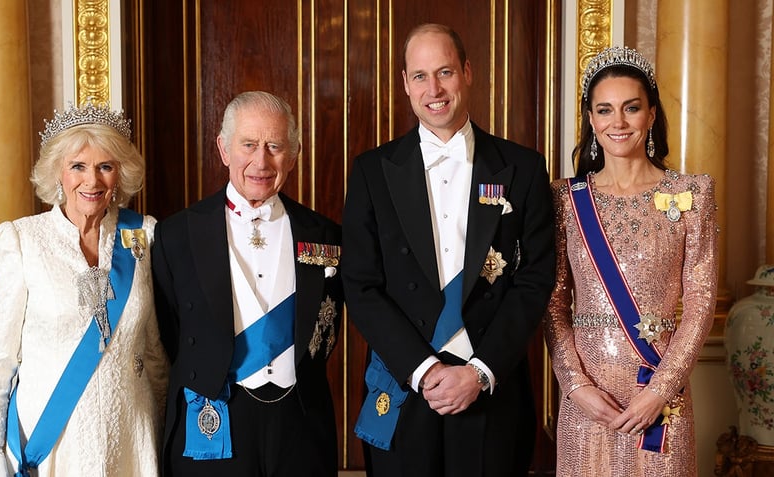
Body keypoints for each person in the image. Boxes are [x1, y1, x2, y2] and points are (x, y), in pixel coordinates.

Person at [342, 23, 556, 476]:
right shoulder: (372, 171)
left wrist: (479, 371)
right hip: (405, 385)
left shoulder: (522, 167)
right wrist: (423, 370)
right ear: (404, 83)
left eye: (445, 72)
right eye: (420, 76)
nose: (434, 89)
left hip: (490, 386)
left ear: (468, 72)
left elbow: (534, 280)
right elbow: (360, 284)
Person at [543, 46, 718, 476]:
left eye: (631, 108)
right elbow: (552, 304)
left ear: (652, 114)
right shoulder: (565, 199)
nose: (617, 123)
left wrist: (660, 390)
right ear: (590, 120)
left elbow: (700, 303)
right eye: (604, 110)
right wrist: (575, 384)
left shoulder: (693, 194)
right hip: (588, 397)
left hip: (659, 391)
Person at [152, 91, 342, 476]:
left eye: (274, 146)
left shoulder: (326, 235)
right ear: (224, 149)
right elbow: (169, 334)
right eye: (249, 145)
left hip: (300, 424)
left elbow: (327, 329)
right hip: (214, 416)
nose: (261, 161)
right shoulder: (177, 235)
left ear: (294, 152)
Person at [0, 102, 168, 476]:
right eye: (78, 166)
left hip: (131, 434)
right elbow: (0, 358)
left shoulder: (142, 236)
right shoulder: (21, 240)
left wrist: (166, 431)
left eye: (105, 166)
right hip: (52, 440)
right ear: (57, 173)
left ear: (120, 174)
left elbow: (154, 348)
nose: (91, 181)